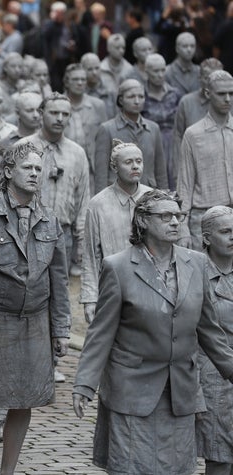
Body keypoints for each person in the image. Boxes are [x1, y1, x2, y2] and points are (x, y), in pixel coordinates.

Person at [73, 190, 233, 475]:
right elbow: (101, 333)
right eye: (166, 216)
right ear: (143, 221)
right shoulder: (118, 267)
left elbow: (208, 329)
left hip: (181, 390)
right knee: (133, 467)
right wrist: (85, 384)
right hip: (132, 388)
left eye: (178, 216)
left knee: (178, 468)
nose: (175, 222)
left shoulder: (195, 263)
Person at [0, 142, 70, 475]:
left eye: (39, 169)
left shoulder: (49, 220)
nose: (35, 174)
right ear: (9, 172)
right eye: (28, 168)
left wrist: (62, 330)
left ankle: (7, 471)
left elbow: (59, 281)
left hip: (36, 323)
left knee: (25, 399)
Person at [17, 93, 90, 275]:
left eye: (65, 114)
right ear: (41, 113)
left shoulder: (77, 153)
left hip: (62, 235)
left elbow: (82, 200)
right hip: (27, 232)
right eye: (54, 112)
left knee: (60, 292)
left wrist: (81, 243)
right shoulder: (22, 147)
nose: (59, 118)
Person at [80, 141, 152, 324]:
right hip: (114, 288)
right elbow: (90, 255)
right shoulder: (98, 204)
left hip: (152, 286)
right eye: (128, 162)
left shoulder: (154, 199)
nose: (135, 166)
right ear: (114, 167)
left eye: (138, 161)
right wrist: (90, 298)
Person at [178, 70, 233, 251]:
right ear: (208, 93)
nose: (227, 99)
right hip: (203, 219)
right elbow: (184, 185)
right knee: (203, 275)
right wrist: (182, 226)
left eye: (231, 93)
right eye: (221, 93)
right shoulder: (193, 134)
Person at [197, 206, 233, 475]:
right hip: (213, 376)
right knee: (220, 456)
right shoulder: (193, 272)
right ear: (207, 238)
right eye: (226, 231)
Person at [93, 79, 166, 194]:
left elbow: (160, 171)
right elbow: (101, 174)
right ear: (121, 100)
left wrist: (163, 197)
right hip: (117, 195)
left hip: (149, 195)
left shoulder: (153, 128)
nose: (137, 101)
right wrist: (101, 202)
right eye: (131, 97)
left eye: (141, 97)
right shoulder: (107, 129)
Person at [143, 53, 183, 190]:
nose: (160, 74)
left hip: (173, 143)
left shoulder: (175, 94)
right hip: (150, 142)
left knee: (175, 179)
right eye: (155, 71)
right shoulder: (142, 95)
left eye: (162, 70)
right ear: (146, 72)